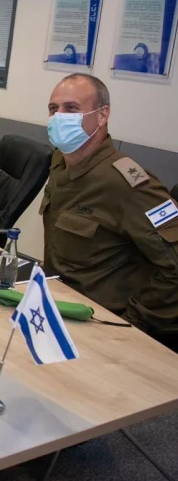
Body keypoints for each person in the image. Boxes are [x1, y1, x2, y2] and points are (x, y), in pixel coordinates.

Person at [42, 73, 178, 347]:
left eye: (71, 108)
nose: (59, 117)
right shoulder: (61, 163)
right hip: (60, 308)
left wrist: (133, 324)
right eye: (54, 109)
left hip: (103, 326)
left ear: (102, 115)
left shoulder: (128, 184)